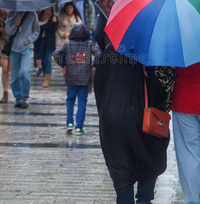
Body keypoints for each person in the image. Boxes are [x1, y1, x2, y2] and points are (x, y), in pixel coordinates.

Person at [94, 43, 174, 204]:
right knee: (149, 158)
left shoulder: (110, 51)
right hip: (145, 119)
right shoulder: (155, 53)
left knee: (120, 165)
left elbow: (98, 87)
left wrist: (105, 114)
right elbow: (163, 89)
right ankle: (144, 199)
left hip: (112, 119)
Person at [53, 22, 101, 135]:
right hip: (85, 78)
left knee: (70, 100)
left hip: (71, 77)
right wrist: (94, 64)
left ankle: (69, 123)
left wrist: (63, 64)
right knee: (82, 103)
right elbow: (99, 53)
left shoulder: (67, 44)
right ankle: (79, 127)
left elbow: (56, 53)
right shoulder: (89, 44)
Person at [172, 63, 200, 204]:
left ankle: (194, 201)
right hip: (185, 100)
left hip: (185, 98)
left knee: (189, 156)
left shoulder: (181, 40)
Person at [5, 11, 40, 108]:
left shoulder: (32, 14)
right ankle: (18, 97)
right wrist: (15, 25)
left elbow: (36, 31)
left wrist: (27, 41)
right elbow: (8, 31)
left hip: (26, 48)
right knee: (15, 75)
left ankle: (25, 97)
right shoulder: (11, 14)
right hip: (14, 48)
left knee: (24, 72)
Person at [34, 7, 58, 88]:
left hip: (50, 42)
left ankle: (47, 79)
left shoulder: (54, 17)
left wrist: (44, 25)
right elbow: (38, 28)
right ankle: (45, 74)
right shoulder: (39, 16)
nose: (48, 9)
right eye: (46, 7)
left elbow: (54, 29)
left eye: (49, 7)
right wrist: (49, 24)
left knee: (48, 60)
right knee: (43, 61)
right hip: (40, 41)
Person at [0, 10, 10, 103]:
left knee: (13, 70)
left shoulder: (14, 15)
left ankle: (18, 92)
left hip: (14, 44)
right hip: (2, 45)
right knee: (5, 69)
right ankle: (5, 92)